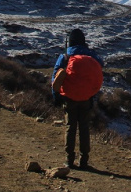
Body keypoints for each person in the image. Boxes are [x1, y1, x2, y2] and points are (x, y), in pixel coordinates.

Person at [52, 28, 103, 169]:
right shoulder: (92, 56)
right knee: (84, 128)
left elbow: (55, 76)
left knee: (70, 127)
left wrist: (56, 96)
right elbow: (100, 67)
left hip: (69, 98)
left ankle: (69, 160)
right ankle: (84, 161)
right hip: (86, 98)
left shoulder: (65, 57)